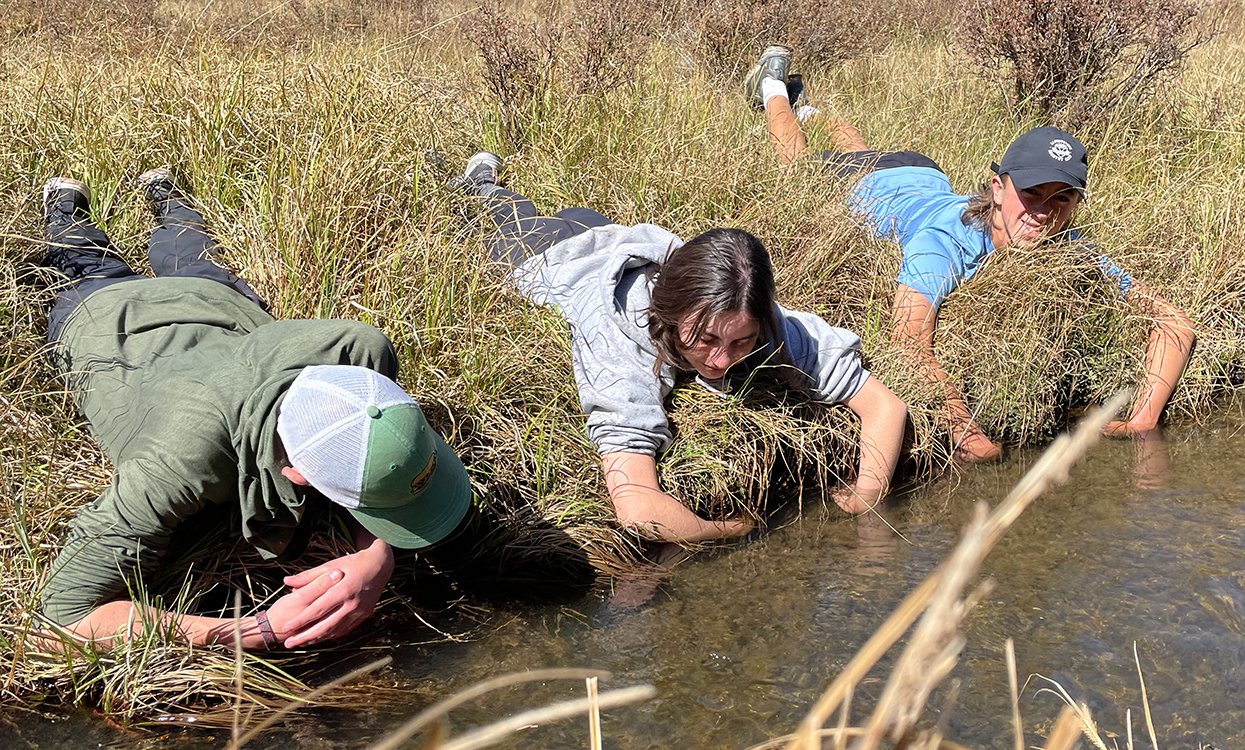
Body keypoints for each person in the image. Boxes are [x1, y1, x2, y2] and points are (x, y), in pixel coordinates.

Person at [36, 169, 472, 650]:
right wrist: (257, 631)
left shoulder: (362, 350)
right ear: (298, 474)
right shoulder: (178, 465)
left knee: (187, 249)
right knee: (83, 260)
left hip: (213, 303)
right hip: (105, 319)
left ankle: (165, 193)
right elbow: (64, 620)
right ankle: (64, 206)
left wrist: (377, 553)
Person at [743, 45, 1196, 462]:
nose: (1043, 212)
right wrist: (965, 428)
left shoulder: (1070, 248)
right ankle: (775, 89)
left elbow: (1173, 323)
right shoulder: (944, 241)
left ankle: (809, 107)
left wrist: (1142, 420)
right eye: (1032, 192)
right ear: (998, 189)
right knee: (796, 161)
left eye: (1061, 198)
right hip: (863, 185)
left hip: (921, 170)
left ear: (1076, 205)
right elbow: (907, 338)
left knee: (861, 147)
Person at [454, 152, 908, 544]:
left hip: (603, 229)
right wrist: (729, 530)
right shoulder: (618, 335)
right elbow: (635, 506)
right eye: (704, 339)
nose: (720, 360)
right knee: (493, 210)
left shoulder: (759, 315)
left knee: (556, 212)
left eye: (740, 342)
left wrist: (866, 495)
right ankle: (479, 183)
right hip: (537, 254)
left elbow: (885, 407)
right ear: (668, 314)